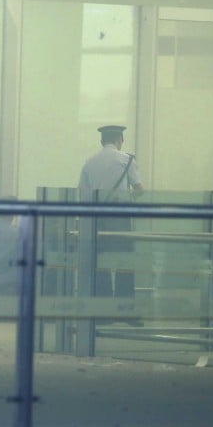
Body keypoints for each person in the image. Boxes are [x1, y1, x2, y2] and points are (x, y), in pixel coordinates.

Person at [78, 124, 143, 300]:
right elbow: (139, 189)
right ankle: (124, 304)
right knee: (124, 260)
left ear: (101, 141)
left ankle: (102, 304)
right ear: (119, 140)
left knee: (101, 262)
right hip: (120, 216)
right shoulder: (127, 160)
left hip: (97, 218)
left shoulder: (89, 162)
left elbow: (83, 192)